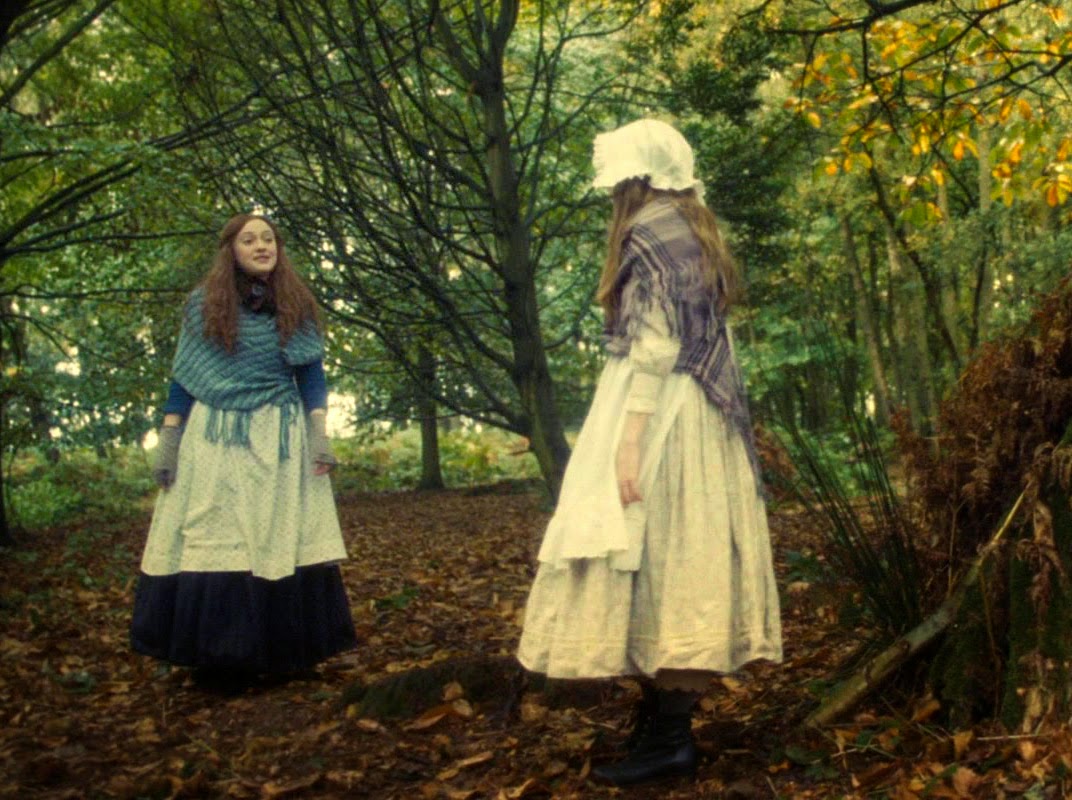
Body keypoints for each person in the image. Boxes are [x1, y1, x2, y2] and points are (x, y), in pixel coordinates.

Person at [517, 119, 782, 785]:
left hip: (662, 408)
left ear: (635, 178)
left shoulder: (650, 229)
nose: (613, 194)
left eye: (617, 181)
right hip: (697, 411)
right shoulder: (693, 224)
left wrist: (629, 441)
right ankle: (664, 725)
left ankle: (669, 739)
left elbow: (658, 344)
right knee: (677, 559)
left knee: (656, 553)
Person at [130, 213, 357, 689]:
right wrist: (169, 441)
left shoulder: (295, 303)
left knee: (278, 533)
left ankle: (284, 654)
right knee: (219, 532)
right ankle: (220, 661)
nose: (261, 246)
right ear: (231, 249)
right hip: (215, 434)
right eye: (249, 239)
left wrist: (319, 433)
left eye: (268, 238)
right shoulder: (203, 304)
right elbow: (185, 378)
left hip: (278, 433)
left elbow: (311, 375)